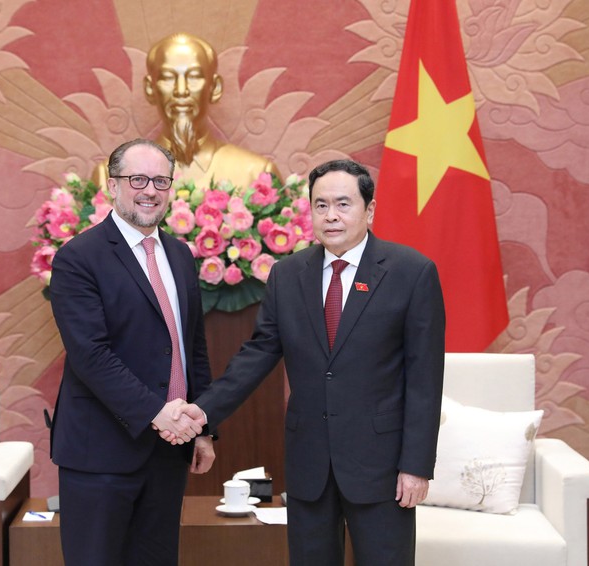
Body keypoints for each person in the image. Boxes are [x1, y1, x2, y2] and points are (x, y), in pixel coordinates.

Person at [167, 159, 446, 565]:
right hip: (309, 462)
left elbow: (425, 380)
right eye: (320, 205)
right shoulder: (288, 274)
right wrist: (203, 412)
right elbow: (259, 353)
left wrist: (416, 467)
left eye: (343, 204)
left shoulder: (411, 272)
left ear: (369, 210)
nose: (331, 215)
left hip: (381, 466)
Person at [49, 138, 215, 565]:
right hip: (102, 452)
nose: (150, 190)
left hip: (168, 452)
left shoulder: (180, 255)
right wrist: (158, 414)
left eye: (161, 180)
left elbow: (191, 346)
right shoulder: (78, 258)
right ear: (112, 185)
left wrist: (204, 428)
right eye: (137, 178)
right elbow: (91, 356)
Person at [92, 33, 280, 190]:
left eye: (194, 77)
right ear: (150, 88)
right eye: (167, 77)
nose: (181, 91)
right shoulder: (112, 177)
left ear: (214, 87)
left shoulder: (257, 175)